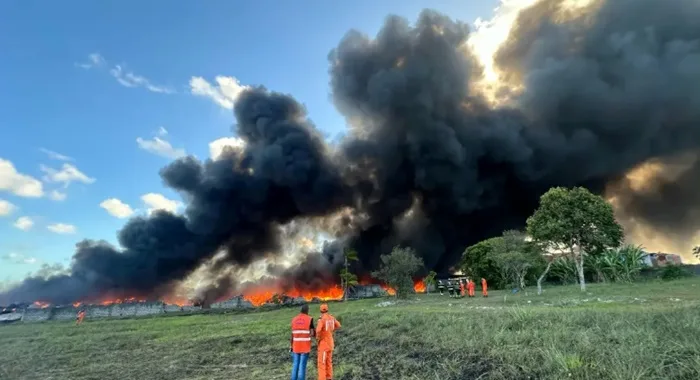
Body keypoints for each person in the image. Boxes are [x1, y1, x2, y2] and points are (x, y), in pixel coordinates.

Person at [316, 303, 341, 380]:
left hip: (323, 345)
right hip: (330, 344)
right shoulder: (331, 317)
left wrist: (318, 338)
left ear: (320, 310)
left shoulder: (322, 319)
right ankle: (329, 377)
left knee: (321, 363)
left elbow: (318, 330)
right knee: (329, 362)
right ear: (327, 309)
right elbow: (338, 325)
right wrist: (330, 330)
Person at [291, 304, 315, 380]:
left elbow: (292, 334)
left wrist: (291, 346)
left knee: (295, 365)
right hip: (305, 347)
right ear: (307, 310)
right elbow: (312, 333)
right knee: (302, 366)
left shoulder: (294, 319)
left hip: (295, 346)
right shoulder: (309, 319)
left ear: (300, 310)